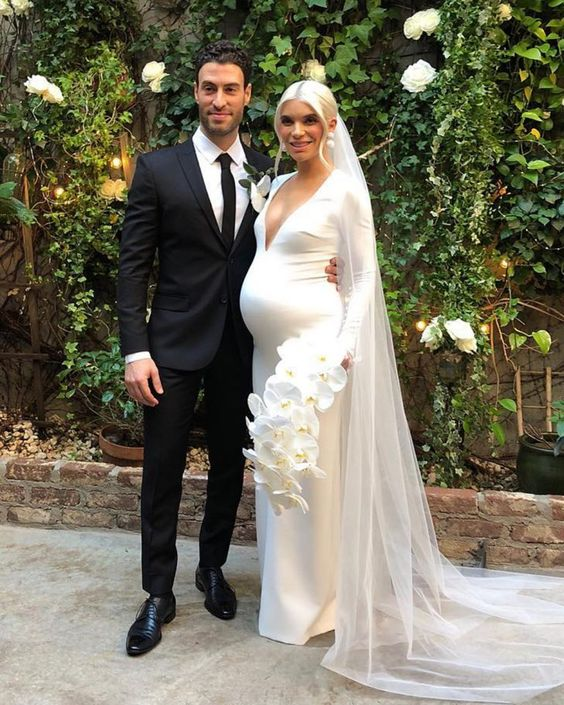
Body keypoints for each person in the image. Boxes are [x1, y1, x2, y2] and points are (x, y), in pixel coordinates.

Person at [240, 79, 564, 702]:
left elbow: (362, 278)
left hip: (317, 353)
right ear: (276, 125)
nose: (297, 130)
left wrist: (346, 342)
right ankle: (285, 596)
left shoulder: (343, 192)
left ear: (330, 126)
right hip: (266, 354)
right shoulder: (276, 186)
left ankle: (321, 601)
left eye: (310, 120)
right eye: (287, 120)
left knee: (315, 473)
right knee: (278, 469)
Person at [118, 41, 337, 657]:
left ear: (247, 97)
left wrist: (330, 271)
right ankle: (157, 592)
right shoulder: (158, 168)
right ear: (196, 92)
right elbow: (134, 267)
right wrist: (136, 349)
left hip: (244, 347)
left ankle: (211, 567)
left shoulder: (273, 171)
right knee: (160, 470)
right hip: (171, 349)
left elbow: (301, 240)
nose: (219, 99)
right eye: (209, 87)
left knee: (228, 464)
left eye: (231, 89)